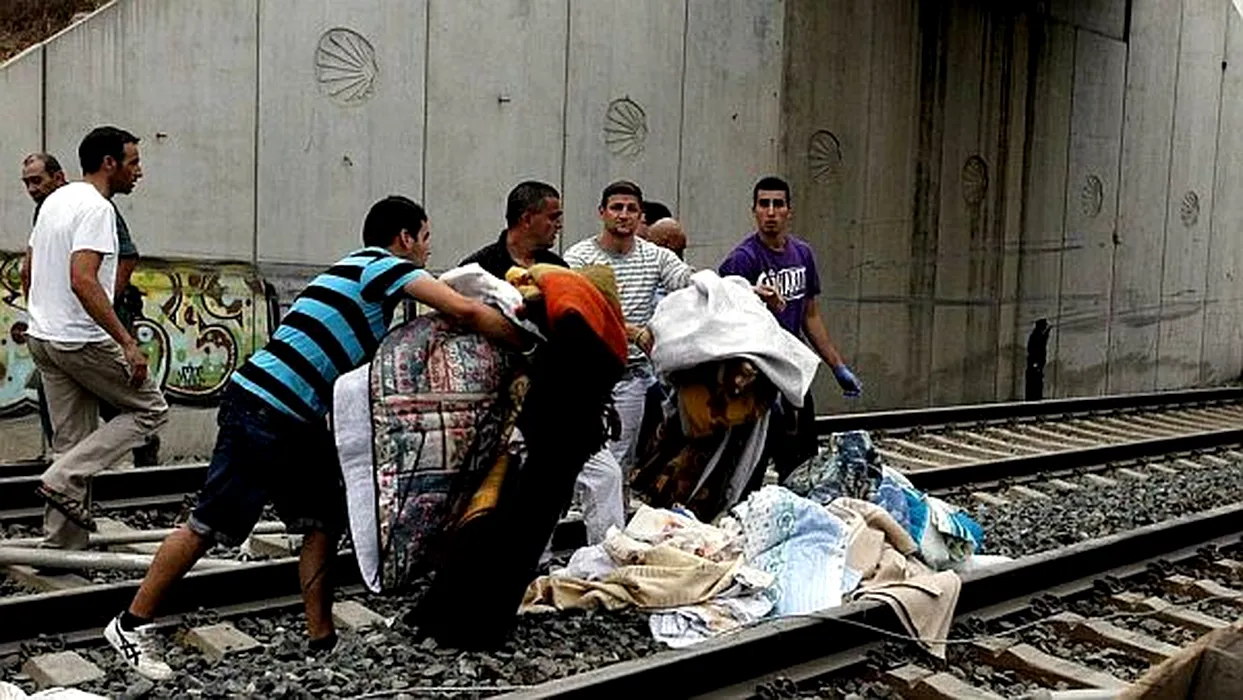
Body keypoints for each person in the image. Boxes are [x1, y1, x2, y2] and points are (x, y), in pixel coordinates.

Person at [105, 195, 524, 681]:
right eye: (425, 238)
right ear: (405, 237)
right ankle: (131, 625)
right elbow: (463, 309)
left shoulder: (356, 273)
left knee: (323, 519)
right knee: (210, 523)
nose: (429, 249)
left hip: (293, 419)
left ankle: (321, 639)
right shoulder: (381, 265)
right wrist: (525, 339)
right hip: (264, 409)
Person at [24, 128, 169, 553]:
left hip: (43, 337)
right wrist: (126, 341)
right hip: (79, 339)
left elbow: (27, 269)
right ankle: (61, 477)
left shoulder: (54, 202)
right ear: (109, 163)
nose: (139, 172)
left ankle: (62, 547)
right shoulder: (97, 208)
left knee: (70, 442)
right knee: (151, 409)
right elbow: (83, 280)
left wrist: (39, 315)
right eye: (133, 162)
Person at [563, 181, 693, 542]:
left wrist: (744, 291)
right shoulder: (578, 258)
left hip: (631, 376)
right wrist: (630, 331)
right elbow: (575, 312)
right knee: (584, 464)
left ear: (641, 216)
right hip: (584, 378)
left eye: (631, 209)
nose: (623, 215)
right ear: (602, 212)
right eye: (616, 207)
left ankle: (610, 542)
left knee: (618, 463)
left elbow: (691, 282)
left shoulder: (655, 257)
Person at [719, 175, 862, 483]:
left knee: (801, 460)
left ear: (789, 210)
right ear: (754, 210)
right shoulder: (742, 259)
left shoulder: (802, 254)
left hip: (794, 368)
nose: (771, 212)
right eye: (764, 204)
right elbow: (727, 324)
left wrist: (837, 366)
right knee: (750, 462)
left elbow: (810, 315)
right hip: (756, 372)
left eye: (778, 204)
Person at [21, 152, 159, 469]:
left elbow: (124, 259)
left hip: (85, 325)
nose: (31, 189)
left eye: (37, 181)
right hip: (61, 330)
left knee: (111, 407)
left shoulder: (93, 207)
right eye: (26, 183)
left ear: (59, 177)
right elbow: (31, 271)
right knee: (78, 419)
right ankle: (65, 476)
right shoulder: (51, 208)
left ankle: (70, 476)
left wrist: (101, 307)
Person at [460, 180, 566, 278]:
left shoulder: (558, 269)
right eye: (552, 218)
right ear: (527, 219)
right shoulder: (476, 270)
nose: (559, 225)